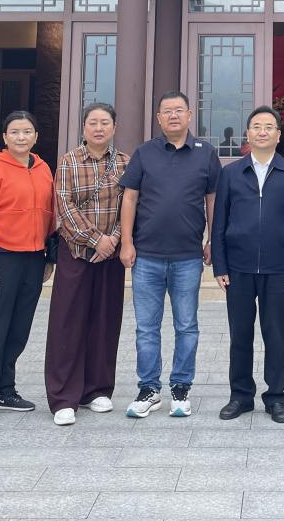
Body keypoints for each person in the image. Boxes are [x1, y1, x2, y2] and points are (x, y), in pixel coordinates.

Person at [119, 91, 220, 419]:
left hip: (188, 256)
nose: (173, 116)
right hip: (146, 255)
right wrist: (126, 242)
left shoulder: (206, 153)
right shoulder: (144, 152)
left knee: (187, 325)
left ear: (190, 115)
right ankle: (149, 389)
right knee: (146, 328)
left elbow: (212, 200)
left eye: (179, 110)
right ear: (159, 118)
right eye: (167, 111)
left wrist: (212, 240)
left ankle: (180, 387)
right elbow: (130, 198)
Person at [212, 106, 284, 424]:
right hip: (238, 268)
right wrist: (220, 265)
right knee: (240, 334)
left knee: (274, 334)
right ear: (248, 134)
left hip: (278, 268)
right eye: (256, 126)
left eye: (269, 126)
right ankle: (240, 396)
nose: (262, 131)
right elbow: (219, 222)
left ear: (278, 135)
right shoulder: (231, 173)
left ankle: (276, 398)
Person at [47, 102, 129, 425]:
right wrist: (97, 240)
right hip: (76, 252)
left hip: (111, 255)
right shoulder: (68, 161)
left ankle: (97, 389)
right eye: (92, 122)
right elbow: (64, 207)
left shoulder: (125, 163)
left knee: (105, 321)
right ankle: (63, 397)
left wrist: (114, 240)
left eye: (105, 122)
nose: (98, 128)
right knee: (67, 323)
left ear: (114, 128)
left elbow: (131, 204)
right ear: (83, 128)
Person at [0, 109, 56, 423]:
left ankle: (6, 389)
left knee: (19, 329)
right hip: (2, 258)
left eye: (27, 131)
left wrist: (49, 257)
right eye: (15, 132)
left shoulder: (43, 169)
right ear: (5, 137)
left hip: (33, 259)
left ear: (36, 136)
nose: (22, 137)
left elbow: (50, 214)